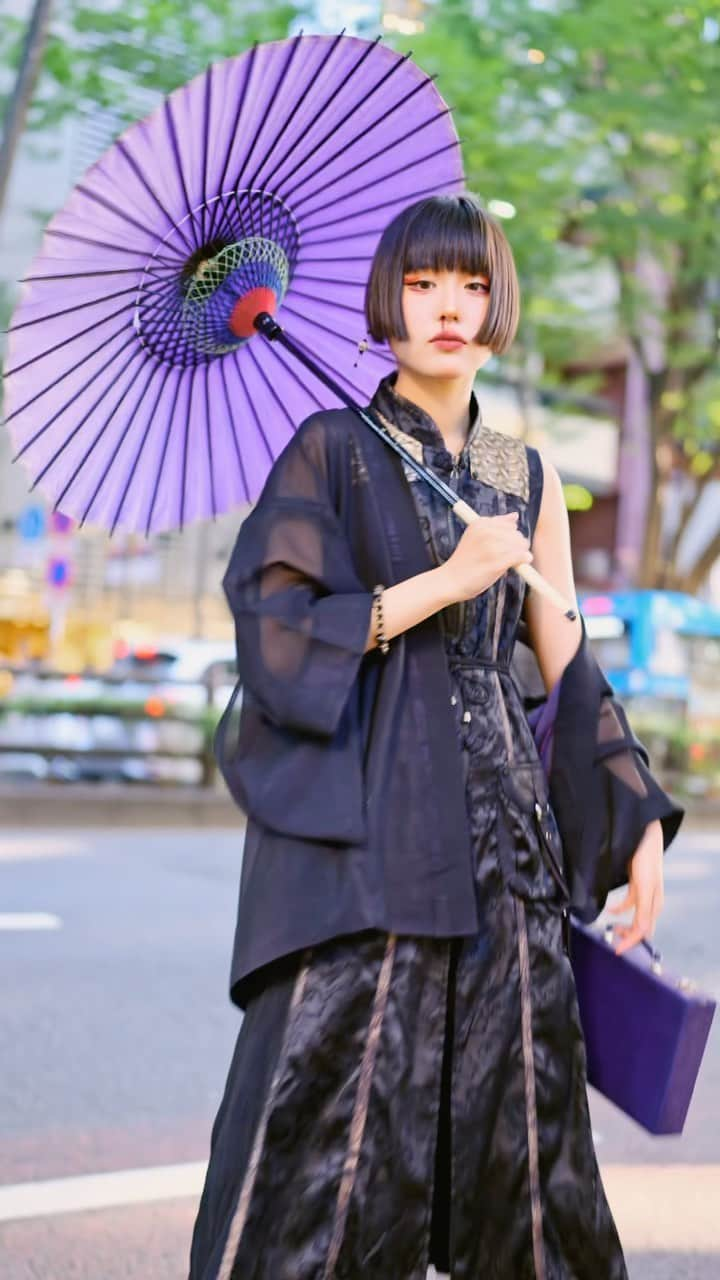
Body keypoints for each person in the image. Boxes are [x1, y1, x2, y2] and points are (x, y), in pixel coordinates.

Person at [188, 193, 682, 1280]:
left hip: (505, 832)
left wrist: (633, 816)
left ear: (496, 297)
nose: (447, 306)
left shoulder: (524, 474)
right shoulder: (330, 449)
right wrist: (443, 582)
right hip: (367, 829)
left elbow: (567, 660)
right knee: (334, 1116)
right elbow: (275, 635)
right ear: (388, 304)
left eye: (467, 283)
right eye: (420, 285)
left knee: (524, 1124)